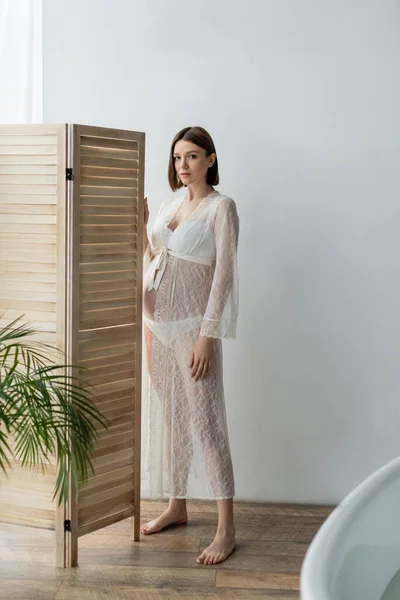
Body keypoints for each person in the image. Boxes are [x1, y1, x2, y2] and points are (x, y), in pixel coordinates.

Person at [140, 126, 239, 565]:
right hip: (153, 322)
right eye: (178, 156)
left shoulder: (222, 208)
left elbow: (224, 276)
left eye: (193, 156)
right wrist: (140, 228)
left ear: (211, 159)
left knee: (206, 419)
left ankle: (226, 529)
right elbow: (155, 255)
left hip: (190, 327)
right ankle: (176, 505)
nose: (183, 164)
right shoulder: (169, 204)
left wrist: (206, 334)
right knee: (172, 415)